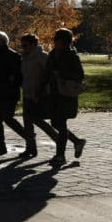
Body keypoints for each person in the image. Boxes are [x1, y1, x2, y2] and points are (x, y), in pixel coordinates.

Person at [45, 28, 87, 167]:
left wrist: (61, 74)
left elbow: (79, 75)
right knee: (55, 123)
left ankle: (60, 155)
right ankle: (77, 142)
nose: (54, 41)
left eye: (56, 39)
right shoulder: (53, 54)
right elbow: (47, 71)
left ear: (63, 41)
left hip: (65, 93)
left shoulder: (71, 55)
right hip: (54, 92)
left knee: (61, 123)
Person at [17, 33, 59, 159]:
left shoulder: (42, 57)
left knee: (39, 121)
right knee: (27, 123)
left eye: (25, 45)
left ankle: (58, 140)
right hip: (27, 94)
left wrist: (41, 93)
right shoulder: (24, 57)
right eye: (22, 45)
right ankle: (30, 148)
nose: (23, 47)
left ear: (33, 44)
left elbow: (49, 77)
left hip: (39, 95)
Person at [0, 31, 25, 156]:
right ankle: (0, 146)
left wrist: (8, 85)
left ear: (3, 41)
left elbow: (16, 75)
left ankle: (29, 137)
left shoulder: (12, 55)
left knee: (8, 118)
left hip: (9, 93)